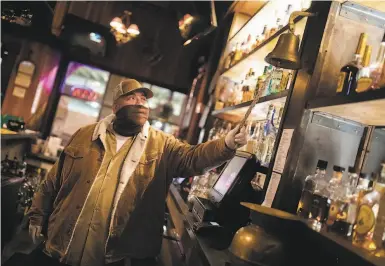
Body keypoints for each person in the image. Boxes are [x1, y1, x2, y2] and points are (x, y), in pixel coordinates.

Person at [28, 79, 247, 266]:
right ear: (115, 107)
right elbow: (51, 182)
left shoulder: (162, 145)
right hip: (62, 246)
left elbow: (193, 158)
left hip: (115, 257)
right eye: (132, 98)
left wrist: (226, 144)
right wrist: (38, 216)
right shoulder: (85, 135)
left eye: (143, 100)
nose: (139, 104)